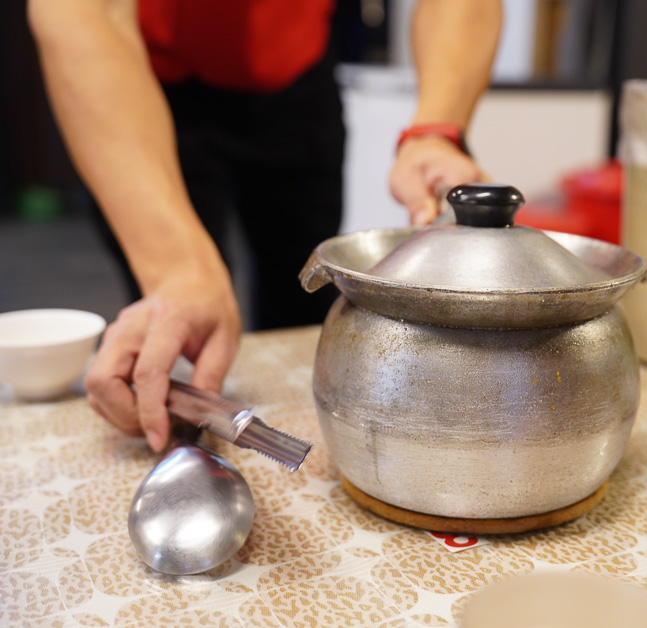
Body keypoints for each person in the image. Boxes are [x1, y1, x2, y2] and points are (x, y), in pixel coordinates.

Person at [27, 0, 503, 452]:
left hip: (296, 80)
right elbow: (83, 13)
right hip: (143, 84)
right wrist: (178, 271)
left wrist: (436, 131)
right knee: (179, 330)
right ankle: (180, 440)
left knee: (302, 307)